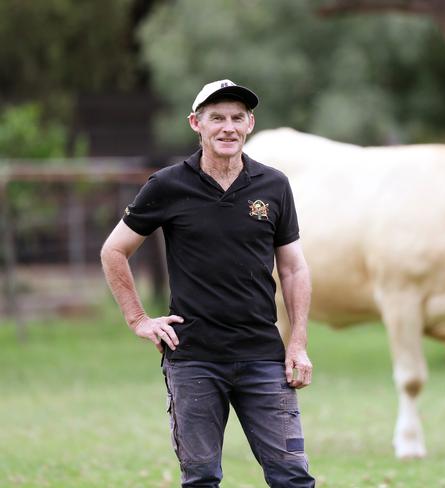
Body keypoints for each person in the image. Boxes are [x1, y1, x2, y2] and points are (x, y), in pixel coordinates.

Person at [100, 79, 315, 487]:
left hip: (263, 358)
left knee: (292, 477)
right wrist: (139, 320)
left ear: (250, 123)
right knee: (200, 478)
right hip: (193, 359)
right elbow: (113, 251)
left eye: (237, 117)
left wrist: (298, 343)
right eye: (217, 118)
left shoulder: (274, 185)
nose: (228, 127)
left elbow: (293, 269)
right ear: (196, 123)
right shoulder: (167, 185)